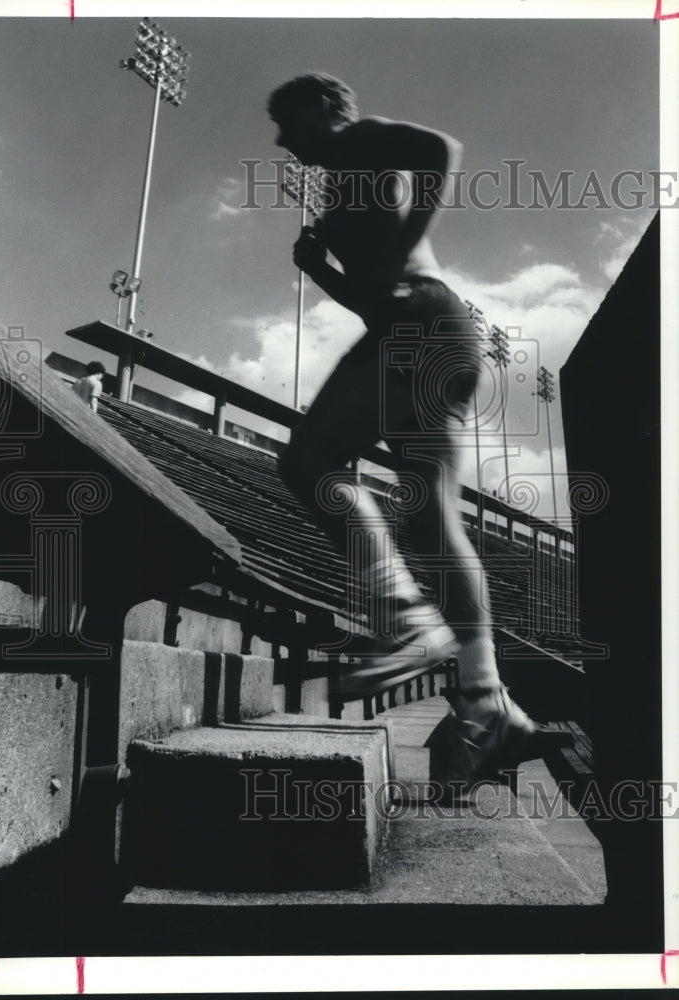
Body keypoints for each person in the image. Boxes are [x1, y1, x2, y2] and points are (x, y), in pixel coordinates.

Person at [268, 72, 569, 791]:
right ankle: (486, 697)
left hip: (421, 326)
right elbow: (375, 295)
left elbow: (441, 147)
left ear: (322, 108)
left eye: (286, 120)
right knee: (432, 524)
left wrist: (409, 236)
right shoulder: (340, 184)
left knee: (308, 462)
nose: (281, 139)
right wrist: (322, 274)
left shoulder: (354, 140)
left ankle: (402, 620)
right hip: (431, 332)